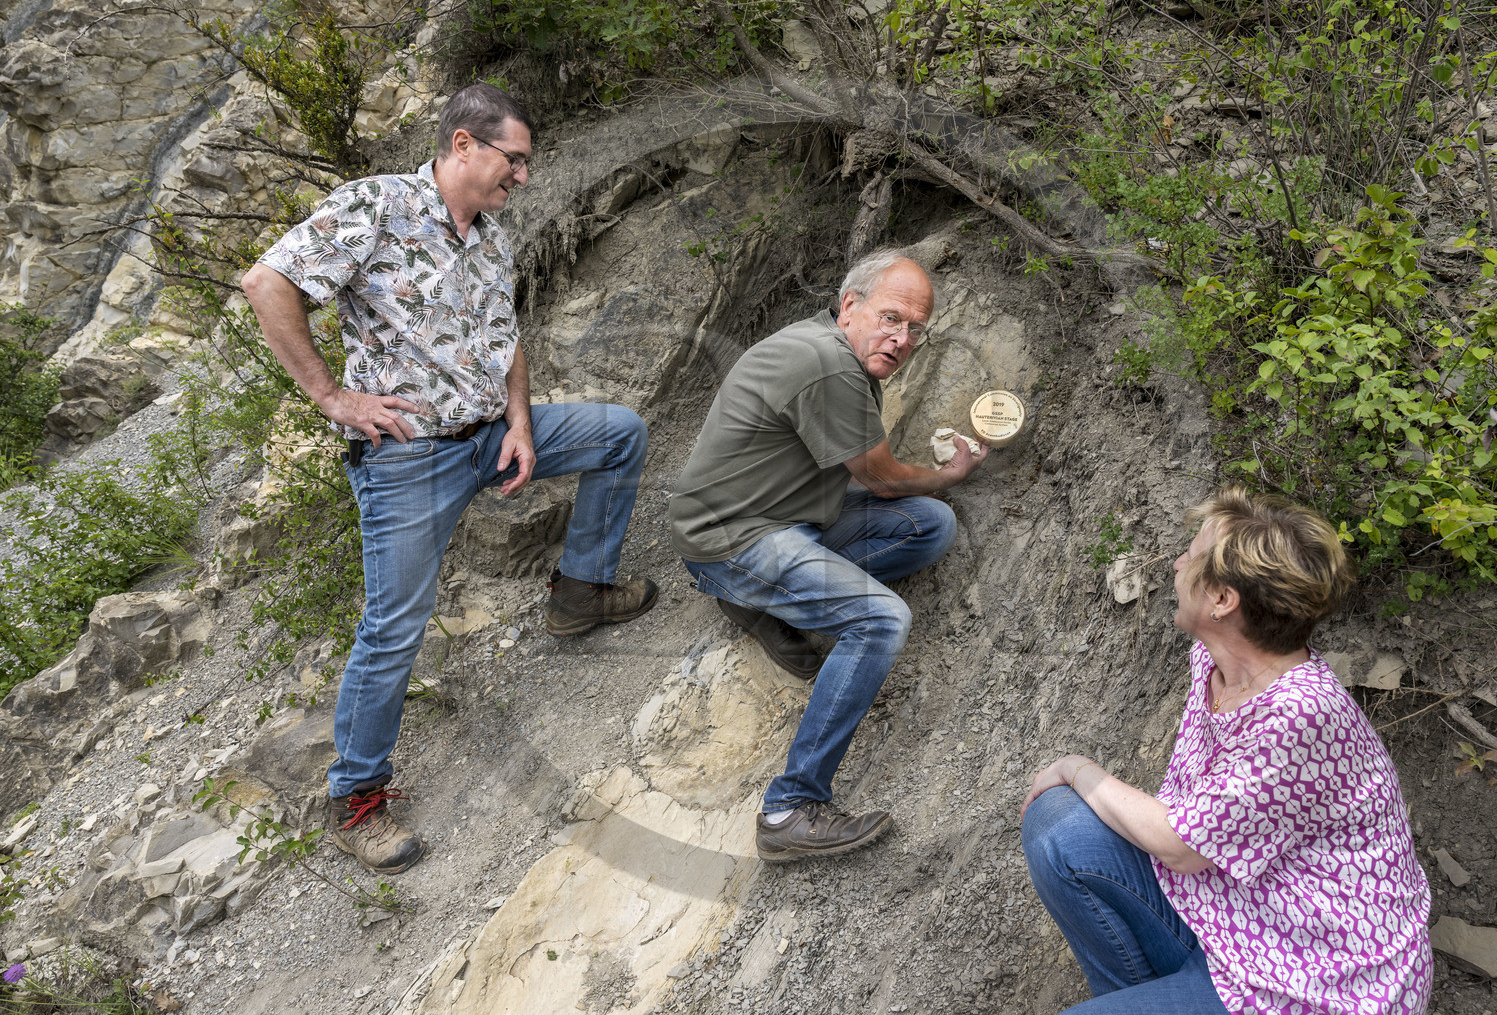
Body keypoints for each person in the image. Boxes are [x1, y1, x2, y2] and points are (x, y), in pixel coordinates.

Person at [240, 83, 658, 875]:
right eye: (515, 159)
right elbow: (269, 284)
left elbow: (506, 338)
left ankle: (580, 592)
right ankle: (355, 798)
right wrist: (333, 396)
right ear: (463, 145)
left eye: (527, 165)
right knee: (395, 626)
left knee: (620, 435)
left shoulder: (491, 238)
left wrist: (524, 422)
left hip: (488, 437)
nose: (523, 178)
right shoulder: (379, 206)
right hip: (407, 459)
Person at [1019, 487, 1432, 1015]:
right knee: (1057, 826)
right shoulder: (1215, 666)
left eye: (1189, 555)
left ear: (1221, 601)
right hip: (1234, 923)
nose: (1175, 563)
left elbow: (1181, 847)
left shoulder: (1301, 716)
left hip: (1316, 989)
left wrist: (1077, 767)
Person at [669, 248, 988, 862]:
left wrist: (934, 488)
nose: (900, 339)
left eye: (915, 329)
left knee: (931, 527)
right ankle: (790, 808)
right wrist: (950, 472)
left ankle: (769, 605)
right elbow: (883, 478)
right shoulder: (830, 365)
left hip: (788, 516)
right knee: (882, 619)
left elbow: (870, 479)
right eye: (890, 317)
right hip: (732, 539)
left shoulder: (833, 351)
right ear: (850, 305)